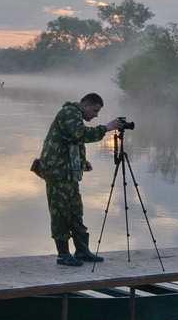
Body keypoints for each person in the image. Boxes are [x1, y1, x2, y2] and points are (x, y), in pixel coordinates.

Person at [37, 93, 125, 266]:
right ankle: (63, 254)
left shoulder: (76, 116)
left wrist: (82, 163)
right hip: (57, 173)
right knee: (60, 214)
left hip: (69, 174)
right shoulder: (70, 111)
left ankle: (82, 250)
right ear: (84, 105)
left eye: (98, 112)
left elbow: (70, 142)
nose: (96, 115)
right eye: (95, 110)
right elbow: (79, 134)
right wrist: (106, 128)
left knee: (76, 212)